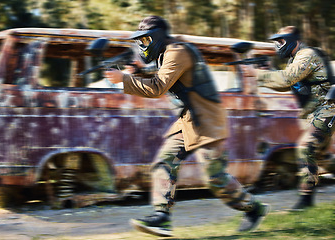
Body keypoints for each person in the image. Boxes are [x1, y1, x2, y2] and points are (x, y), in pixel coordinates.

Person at [105, 15, 269, 237]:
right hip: (188, 120)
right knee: (164, 162)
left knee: (215, 179)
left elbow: (157, 87)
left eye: (145, 40)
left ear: (156, 37)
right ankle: (161, 218)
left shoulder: (176, 52)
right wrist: (137, 71)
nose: (142, 46)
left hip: (206, 120)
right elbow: (167, 77)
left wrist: (123, 79)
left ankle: (254, 208)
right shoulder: (167, 54)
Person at [247, 26, 335, 211]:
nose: (278, 46)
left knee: (305, 146)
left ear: (292, 40)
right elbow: (286, 85)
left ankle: (305, 201)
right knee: (325, 158)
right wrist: (264, 73)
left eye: (281, 41)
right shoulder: (295, 59)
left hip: (327, 108)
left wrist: (259, 74)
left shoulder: (307, 54)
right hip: (314, 112)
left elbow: (287, 79)